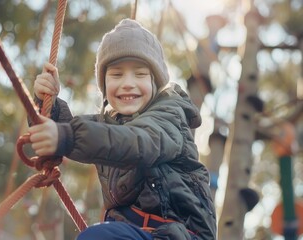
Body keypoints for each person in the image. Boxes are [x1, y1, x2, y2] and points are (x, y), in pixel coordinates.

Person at [29, 18, 216, 240]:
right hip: (135, 233)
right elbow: (71, 130)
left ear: (155, 83)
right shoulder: (106, 125)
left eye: (140, 74)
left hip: (183, 234)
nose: (128, 83)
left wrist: (65, 137)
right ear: (104, 86)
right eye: (117, 74)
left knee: (97, 237)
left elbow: (137, 141)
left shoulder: (170, 114)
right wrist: (48, 107)